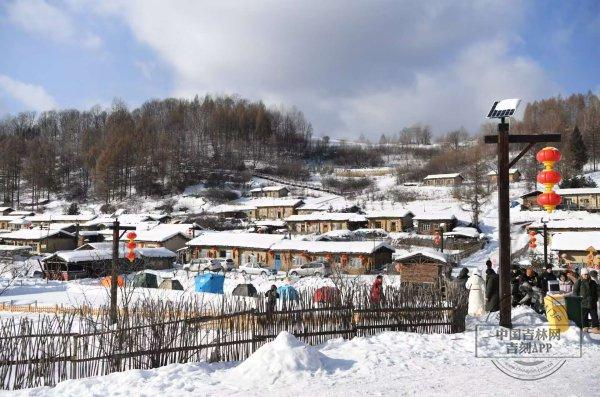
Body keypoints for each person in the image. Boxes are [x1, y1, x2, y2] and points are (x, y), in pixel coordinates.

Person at [573, 268, 599, 332]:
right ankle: (585, 326)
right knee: (584, 316)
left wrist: (596, 298)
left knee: (594, 315)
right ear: (581, 275)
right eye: (584, 274)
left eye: (587, 274)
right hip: (583, 302)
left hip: (592, 302)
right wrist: (578, 298)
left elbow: (597, 291)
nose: (586, 276)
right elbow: (575, 291)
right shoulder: (579, 282)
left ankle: (595, 327)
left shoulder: (592, 282)